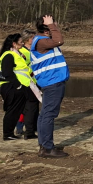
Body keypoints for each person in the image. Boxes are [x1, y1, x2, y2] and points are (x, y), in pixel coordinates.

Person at [31, 15, 70, 158]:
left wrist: (51, 26)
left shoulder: (42, 41)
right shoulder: (42, 42)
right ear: (46, 28)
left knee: (45, 114)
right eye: (53, 23)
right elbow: (59, 40)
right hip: (52, 83)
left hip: (51, 82)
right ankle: (47, 148)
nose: (56, 25)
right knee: (48, 114)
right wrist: (52, 25)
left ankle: (44, 145)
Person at [0, 33, 34, 140]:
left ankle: (10, 133)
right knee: (12, 111)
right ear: (14, 43)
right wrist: (18, 86)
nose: (22, 43)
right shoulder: (8, 55)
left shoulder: (16, 54)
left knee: (16, 111)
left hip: (16, 87)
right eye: (21, 42)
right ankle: (7, 134)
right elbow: (8, 72)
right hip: (11, 87)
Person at [15, 30, 40, 138]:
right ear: (26, 40)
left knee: (30, 106)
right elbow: (23, 67)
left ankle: (32, 126)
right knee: (30, 106)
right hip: (27, 82)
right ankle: (25, 128)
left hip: (34, 81)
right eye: (32, 38)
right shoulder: (23, 53)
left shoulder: (32, 50)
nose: (34, 39)